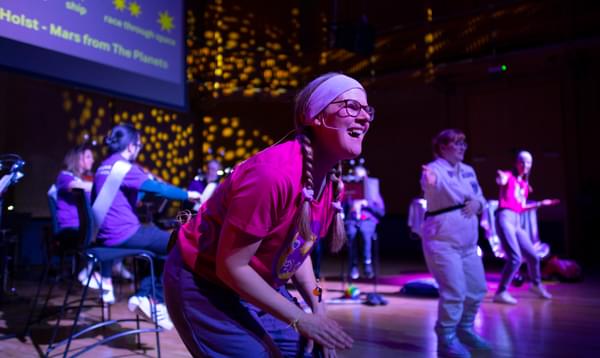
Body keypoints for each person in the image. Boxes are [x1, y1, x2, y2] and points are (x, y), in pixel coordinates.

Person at [164, 72, 370, 357]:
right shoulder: (273, 174)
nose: (365, 117)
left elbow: (299, 249)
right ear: (318, 117)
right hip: (205, 282)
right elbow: (231, 267)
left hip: (254, 285)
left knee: (309, 353)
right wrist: (301, 318)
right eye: (352, 106)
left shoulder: (332, 184)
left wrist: (318, 306)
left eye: (367, 109)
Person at [92, 124, 201, 328]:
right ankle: (152, 299)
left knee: (155, 248)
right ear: (132, 146)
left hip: (106, 236)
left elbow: (125, 195)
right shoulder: (124, 168)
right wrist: (188, 194)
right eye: (139, 145)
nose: (139, 149)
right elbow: (159, 189)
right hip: (124, 233)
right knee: (176, 243)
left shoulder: (103, 167)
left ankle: (144, 295)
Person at [420, 129, 490, 358]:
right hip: (443, 242)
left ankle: (465, 329)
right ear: (442, 147)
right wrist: (429, 182)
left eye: (464, 144)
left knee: (477, 288)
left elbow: (481, 197)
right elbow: (431, 184)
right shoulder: (433, 170)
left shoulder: (469, 171)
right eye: (456, 144)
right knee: (455, 291)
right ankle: (446, 339)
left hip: (468, 245)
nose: (462, 148)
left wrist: (478, 205)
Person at [493, 151, 554, 304]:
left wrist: (540, 204)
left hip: (516, 221)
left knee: (533, 256)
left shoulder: (524, 186)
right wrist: (501, 177)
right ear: (517, 163)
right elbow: (502, 179)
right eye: (523, 162)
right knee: (515, 258)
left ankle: (535, 284)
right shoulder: (509, 176)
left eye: (529, 163)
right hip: (505, 217)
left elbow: (521, 207)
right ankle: (501, 292)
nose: (526, 165)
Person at [344, 164, 385, 280]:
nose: (360, 180)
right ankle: (353, 265)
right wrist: (349, 205)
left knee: (365, 234)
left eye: (362, 178)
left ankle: (367, 264)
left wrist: (368, 204)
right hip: (352, 219)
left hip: (367, 219)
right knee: (351, 234)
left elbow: (381, 211)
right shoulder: (349, 190)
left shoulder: (373, 191)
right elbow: (342, 207)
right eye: (357, 177)